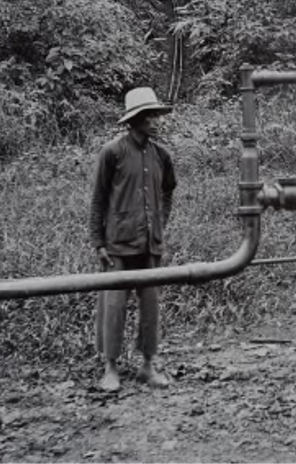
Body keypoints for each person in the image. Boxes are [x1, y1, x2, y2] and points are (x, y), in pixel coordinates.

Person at [89, 87, 177, 391]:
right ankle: (110, 368)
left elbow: (168, 191)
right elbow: (99, 198)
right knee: (113, 306)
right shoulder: (112, 152)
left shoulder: (161, 155)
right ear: (135, 120)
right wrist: (98, 241)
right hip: (118, 243)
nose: (155, 121)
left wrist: (160, 223)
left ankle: (148, 366)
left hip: (150, 243)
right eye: (149, 116)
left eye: (156, 115)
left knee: (150, 305)